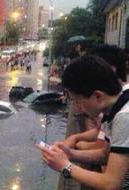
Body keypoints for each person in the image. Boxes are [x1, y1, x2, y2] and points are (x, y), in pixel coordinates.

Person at [36, 55, 129, 189]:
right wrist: (70, 154)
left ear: (97, 96)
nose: (78, 108)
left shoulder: (124, 117)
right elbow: (105, 154)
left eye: (78, 101)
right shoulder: (117, 102)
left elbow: (111, 183)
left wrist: (65, 166)